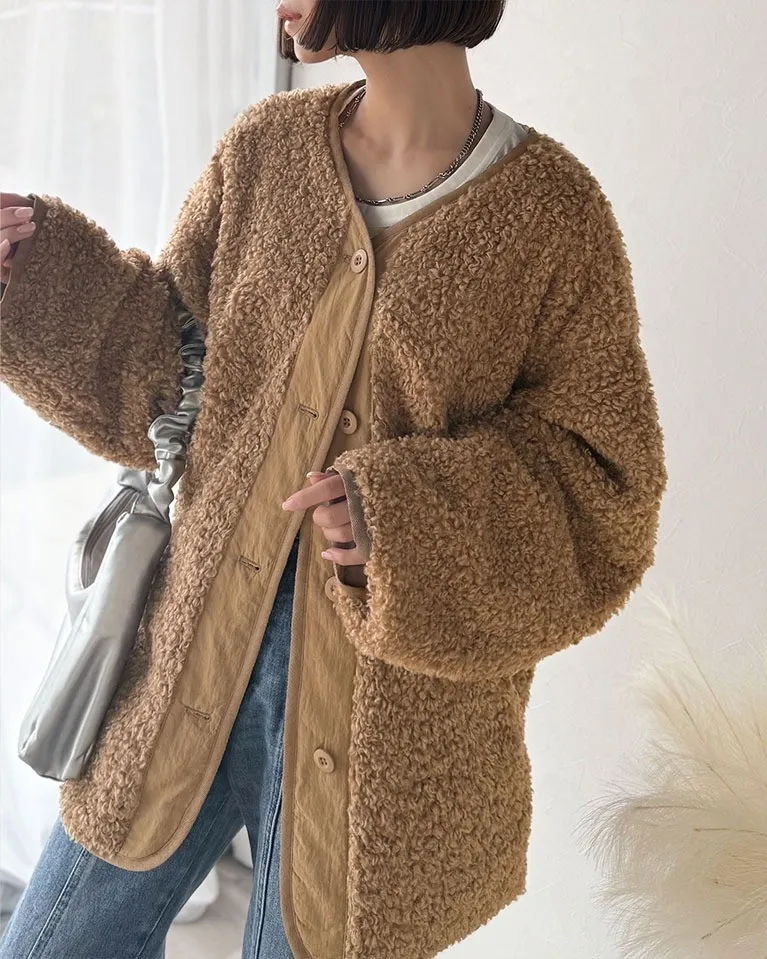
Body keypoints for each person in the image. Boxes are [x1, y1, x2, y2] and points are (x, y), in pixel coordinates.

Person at [0, 1, 668, 957]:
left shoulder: (553, 217)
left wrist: (403, 523)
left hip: (390, 732)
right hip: (188, 652)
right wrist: (30, 282)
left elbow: (602, 484)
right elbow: (171, 374)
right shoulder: (264, 154)